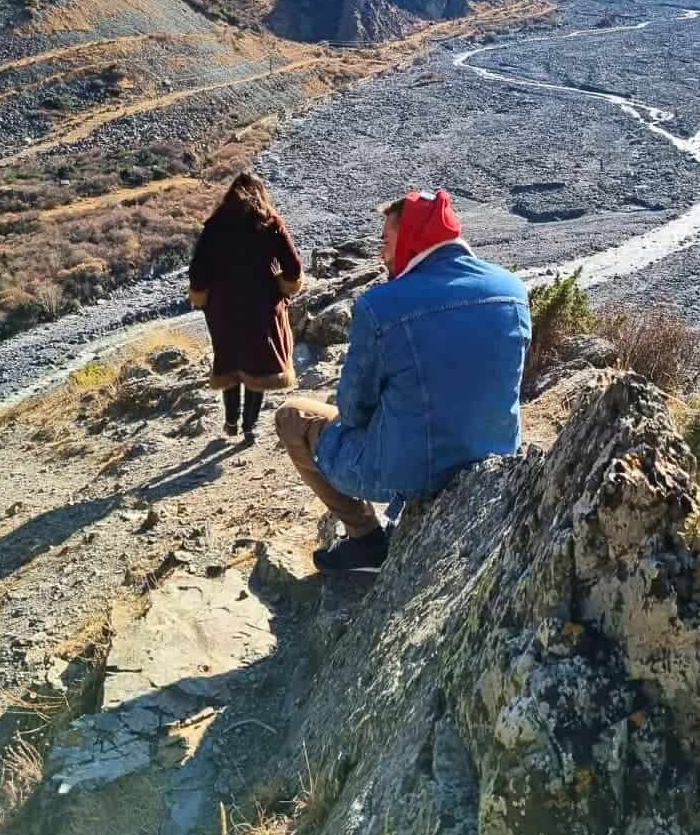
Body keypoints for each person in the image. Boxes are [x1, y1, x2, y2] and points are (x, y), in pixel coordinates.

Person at [275, 188, 531, 571]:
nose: (382, 254)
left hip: (415, 472)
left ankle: (365, 539)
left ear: (411, 238)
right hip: (494, 457)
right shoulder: (513, 290)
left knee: (293, 416)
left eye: (386, 240)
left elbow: (353, 411)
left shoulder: (381, 306)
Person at [189, 172, 304, 443]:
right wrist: (280, 283)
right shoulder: (271, 224)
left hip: (223, 308)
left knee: (230, 360)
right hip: (262, 306)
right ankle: (250, 427)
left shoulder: (215, 226)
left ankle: (230, 422)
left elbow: (197, 271)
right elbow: (294, 268)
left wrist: (203, 296)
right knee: (259, 364)